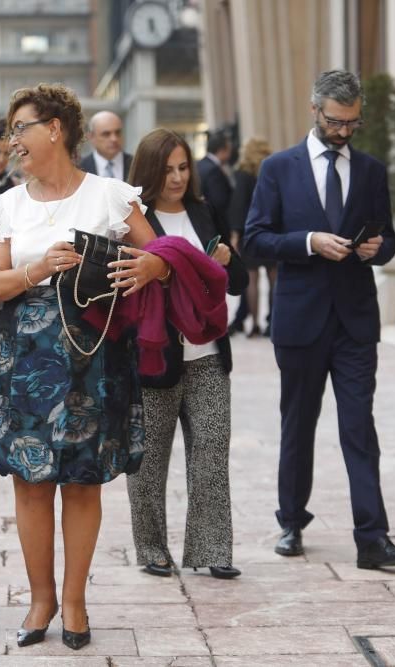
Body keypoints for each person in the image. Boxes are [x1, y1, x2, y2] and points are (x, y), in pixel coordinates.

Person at [0, 84, 169, 650]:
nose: (13, 141)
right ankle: (40, 600)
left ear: (54, 129)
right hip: (26, 360)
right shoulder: (6, 205)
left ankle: (76, 604)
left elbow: (161, 256)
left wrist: (144, 271)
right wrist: (37, 269)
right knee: (31, 483)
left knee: (83, 485)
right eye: (10, 131)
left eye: (21, 128)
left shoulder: (111, 195)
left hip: (94, 357)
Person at [242, 69, 395, 570]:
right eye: (337, 122)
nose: (344, 132)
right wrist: (308, 242)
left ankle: (372, 538)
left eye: (353, 124)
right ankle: (291, 521)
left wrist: (376, 248)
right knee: (298, 424)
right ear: (315, 109)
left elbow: (391, 242)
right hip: (300, 321)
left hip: (356, 323)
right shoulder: (278, 168)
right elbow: (255, 239)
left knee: (359, 427)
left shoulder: (371, 171)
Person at [124, 128, 248, 580]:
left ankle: (213, 549)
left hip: (209, 354)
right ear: (150, 171)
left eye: (183, 167)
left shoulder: (203, 211)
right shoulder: (131, 221)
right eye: (167, 169)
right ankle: (152, 549)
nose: (177, 178)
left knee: (212, 453)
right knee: (149, 463)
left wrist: (227, 263)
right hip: (154, 358)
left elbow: (237, 283)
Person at [228, 138, 275, 337]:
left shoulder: (243, 174)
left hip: (251, 232)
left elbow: (239, 205)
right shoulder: (273, 170)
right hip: (273, 230)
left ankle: (254, 324)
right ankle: (273, 322)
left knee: (252, 281)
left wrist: (235, 234)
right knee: (275, 279)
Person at [78, 110, 132, 180]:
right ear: (91, 137)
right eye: (106, 134)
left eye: (118, 132)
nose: (114, 139)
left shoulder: (136, 164)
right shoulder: (79, 168)